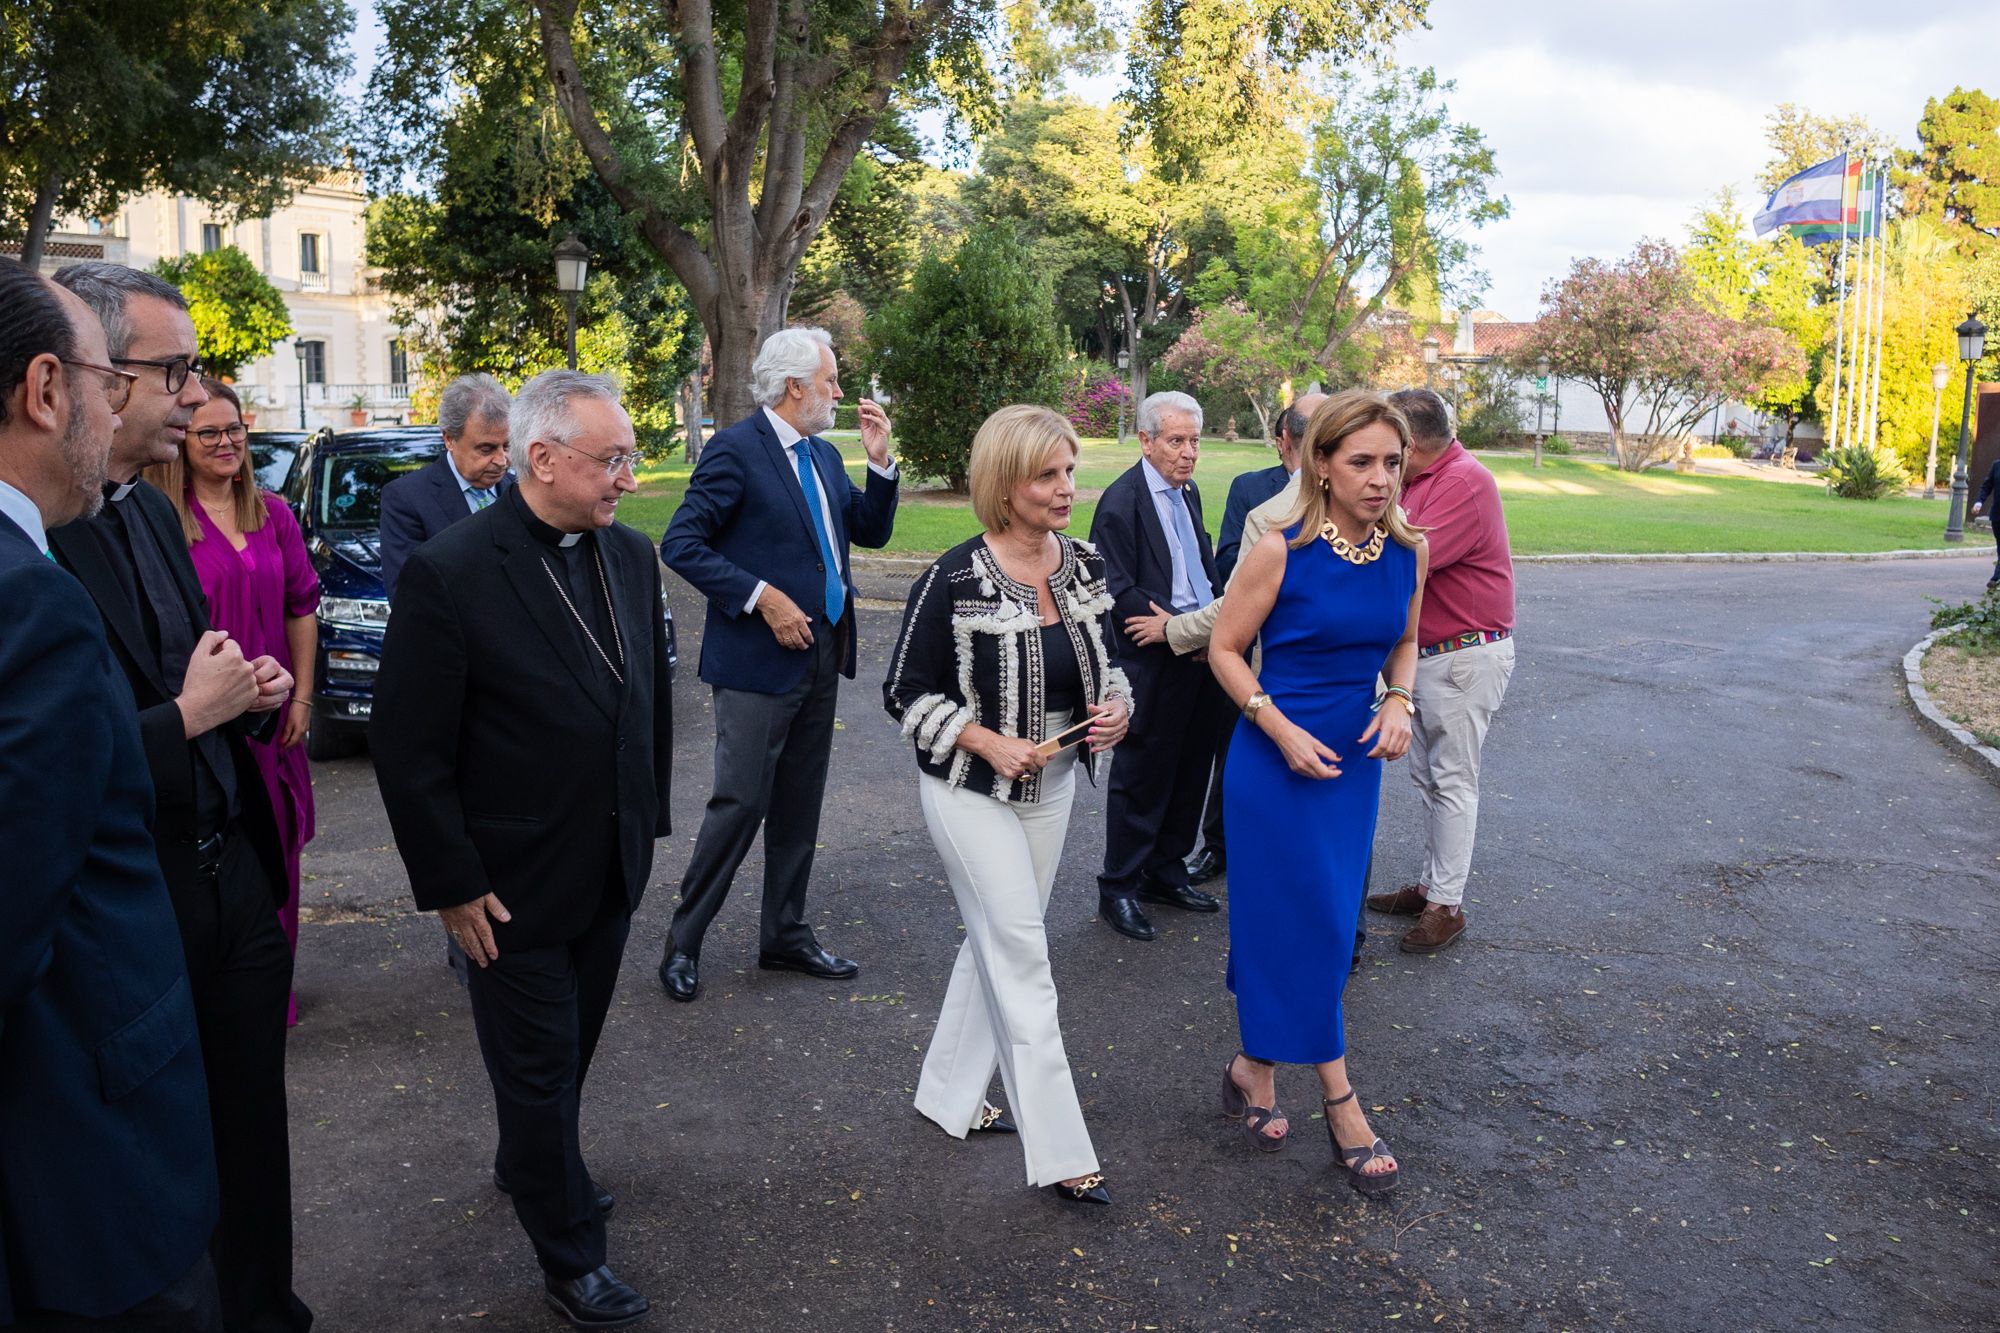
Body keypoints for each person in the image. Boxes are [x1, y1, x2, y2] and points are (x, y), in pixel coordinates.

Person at [371, 370, 674, 1330]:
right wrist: (451, 885)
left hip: (612, 865)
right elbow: (409, 748)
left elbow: (644, 703)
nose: (628, 477)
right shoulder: (453, 570)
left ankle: (529, 1158)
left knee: (566, 1051)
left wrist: (647, 820)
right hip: (506, 884)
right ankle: (570, 1252)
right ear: (542, 460)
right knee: (540, 1066)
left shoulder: (629, 554)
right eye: (613, 459)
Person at [46, 262, 310, 1332]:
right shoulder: (35, 540)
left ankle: (267, 1309)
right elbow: (65, 760)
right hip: (132, 897)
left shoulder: (151, 518)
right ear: (91, 374)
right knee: (159, 1147)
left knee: (254, 1130)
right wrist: (190, 718)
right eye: (173, 372)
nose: (196, 399)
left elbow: (182, 667)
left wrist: (246, 699)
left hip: (229, 873)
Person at [0, 257, 225, 1331]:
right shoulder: (28, 602)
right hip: (87, 1167)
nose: (138, 401)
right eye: (111, 378)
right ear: (47, 390)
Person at [883, 405, 1133, 1207]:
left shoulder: (1087, 563)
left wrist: (1118, 705)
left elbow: (1111, 664)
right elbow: (904, 691)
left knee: (995, 936)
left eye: (1070, 470)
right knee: (1022, 951)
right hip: (969, 790)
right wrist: (985, 740)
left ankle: (947, 1093)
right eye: (1047, 475)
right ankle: (1062, 1148)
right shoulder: (953, 577)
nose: (1068, 488)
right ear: (1004, 482)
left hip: (1054, 784)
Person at [1209, 389, 1425, 1193]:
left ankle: (1248, 1068)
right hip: (1275, 763)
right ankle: (1342, 1100)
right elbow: (1226, 652)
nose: (1380, 479)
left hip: (1350, 768)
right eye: (1361, 461)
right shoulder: (1279, 547)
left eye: (1393, 463)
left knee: (1328, 926)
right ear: (1320, 464)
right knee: (1300, 922)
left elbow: (1405, 642)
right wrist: (1278, 726)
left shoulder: (1410, 548)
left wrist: (1400, 699)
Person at [655, 327, 898, 1001]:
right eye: (830, 381)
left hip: (822, 656)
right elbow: (681, 543)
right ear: (795, 387)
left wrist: (880, 465)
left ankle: (784, 935)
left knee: (799, 804)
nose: (839, 392)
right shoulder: (735, 451)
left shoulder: (821, 455)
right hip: (757, 665)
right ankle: (683, 942)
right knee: (740, 805)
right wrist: (762, 598)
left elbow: (867, 531)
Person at [146, 377, 321, 1026]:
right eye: (209, 431)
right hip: (205, 721)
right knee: (220, 855)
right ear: (182, 441)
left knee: (278, 853)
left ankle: (274, 988)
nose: (227, 443)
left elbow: (302, 606)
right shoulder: (162, 519)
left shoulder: (273, 514)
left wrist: (302, 696)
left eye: (236, 429)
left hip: (272, 717)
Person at [1138, 392, 1326, 888]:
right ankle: (1224, 850)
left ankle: (1311, 902)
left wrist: (1179, 629)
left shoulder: (1374, 514)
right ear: (1288, 441)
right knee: (1239, 756)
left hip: (1306, 677)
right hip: (1246, 653)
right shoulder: (1257, 496)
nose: (1189, 452)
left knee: (1311, 798)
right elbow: (1228, 575)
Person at [1366, 389, 1516, 954]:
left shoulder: (1462, 482)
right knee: (1430, 780)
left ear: (1417, 444)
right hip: (1431, 653)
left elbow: (1399, 555)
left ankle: (1446, 904)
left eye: (1397, 451)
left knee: (1452, 781)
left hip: (1460, 655)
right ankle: (1432, 886)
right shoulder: (1427, 476)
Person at [1088, 390, 1230, 941]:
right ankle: (1119, 885)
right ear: (1146, 441)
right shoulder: (1121, 502)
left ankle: (1165, 871)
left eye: (1194, 441)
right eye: (1176, 441)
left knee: (1192, 766)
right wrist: (1177, 631)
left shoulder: (1186, 491)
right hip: (1152, 655)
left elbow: (1202, 569)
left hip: (1201, 650)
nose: (1189, 453)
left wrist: (1212, 628)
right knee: (1142, 774)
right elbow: (1116, 587)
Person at [378, 372, 512, 603]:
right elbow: (409, 596)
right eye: (486, 449)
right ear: (449, 439)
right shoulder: (406, 499)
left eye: (507, 446)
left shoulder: (520, 491)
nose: (501, 460)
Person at [1971, 454, 2000, 587]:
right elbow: (1986, 486)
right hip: (1997, 515)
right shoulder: (1996, 465)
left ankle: (1995, 578)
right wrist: (1979, 502)